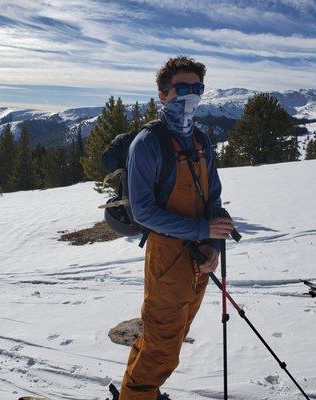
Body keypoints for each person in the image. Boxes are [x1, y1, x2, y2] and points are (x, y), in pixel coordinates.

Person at [118, 56, 235, 399]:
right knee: (163, 344)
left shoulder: (200, 141)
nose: (191, 96)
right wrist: (203, 230)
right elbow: (144, 212)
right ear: (163, 94)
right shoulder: (148, 144)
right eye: (182, 88)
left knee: (170, 334)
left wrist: (213, 247)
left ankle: (137, 393)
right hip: (168, 254)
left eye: (197, 88)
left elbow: (213, 195)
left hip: (199, 256)